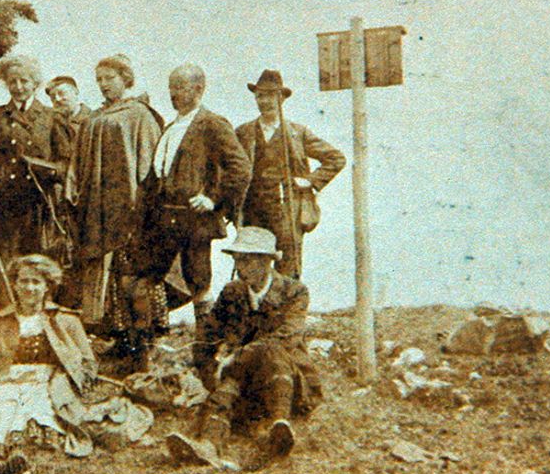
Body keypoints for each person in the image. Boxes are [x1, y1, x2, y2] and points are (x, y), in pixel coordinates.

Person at [0, 255, 152, 464]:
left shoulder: (65, 319)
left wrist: (72, 380)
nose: (29, 288)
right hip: (6, 377)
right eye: (23, 281)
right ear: (15, 284)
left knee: (40, 405)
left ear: (47, 286)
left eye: (36, 282)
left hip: (48, 379)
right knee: (0, 405)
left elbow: (87, 362)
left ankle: (22, 448)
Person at [166, 226, 323, 469]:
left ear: (267, 261)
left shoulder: (294, 292)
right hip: (244, 382)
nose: (241, 267)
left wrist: (235, 357)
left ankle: (278, 427)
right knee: (228, 385)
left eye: (247, 260)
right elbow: (206, 338)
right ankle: (208, 444)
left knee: (271, 352)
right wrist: (211, 375)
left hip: (287, 384)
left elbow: (286, 337)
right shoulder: (233, 292)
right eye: (238, 260)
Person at [63, 56, 162, 358]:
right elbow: (78, 162)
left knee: (131, 270)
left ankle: (142, 341)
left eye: (109, 78)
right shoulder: (94, 117)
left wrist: (143, 202)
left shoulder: (139, 114)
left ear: (125, 78)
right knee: (105, 271)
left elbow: (149, 161)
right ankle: (118, 336)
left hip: (129, 206)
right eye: (99, 80)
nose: (103, 85)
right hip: (98, 206)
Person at [136, 64, 250, 317]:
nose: (173, 93)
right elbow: (157, 175)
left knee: (198, 282)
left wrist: (213, 199)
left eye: (180, 87)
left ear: (198, 89)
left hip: (194, 220)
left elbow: (241, 168)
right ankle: (147, 338)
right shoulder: (171, 127)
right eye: (171, 87)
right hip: (163, 218)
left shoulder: (212, 124)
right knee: (144, 277)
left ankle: (205, 340)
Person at [234, 70, 346, 279]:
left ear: (281, 98)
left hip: (287, 211)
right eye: (260, 96)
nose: (264, 101)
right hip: (252, 210)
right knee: (250, 267)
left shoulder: (297, 133)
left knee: (288, 268)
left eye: (270, 95)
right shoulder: (243, 133)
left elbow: (336, 158)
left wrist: (310, 181)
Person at [0, 54, 70, 263]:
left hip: (37, 202)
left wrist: (48, 169)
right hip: (1, 201)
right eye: (12, 82)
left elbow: (65, 162)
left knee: (36, 261)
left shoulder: (53, 117)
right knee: (2, 261)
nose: (18, 87)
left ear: (35, 83)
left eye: (24, 81)